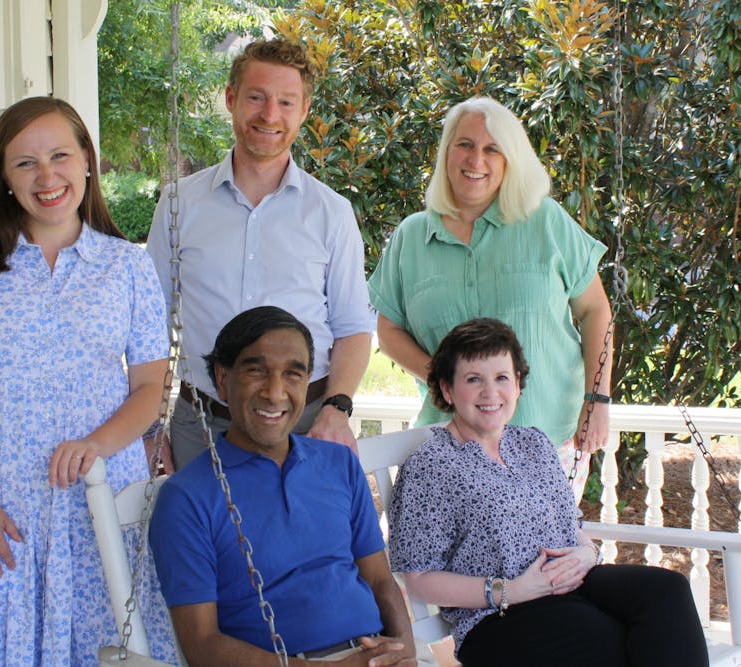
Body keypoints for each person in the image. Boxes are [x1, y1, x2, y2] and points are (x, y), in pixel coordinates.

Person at [0, 96, 176, 665]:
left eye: (60, 155)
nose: (46, 175)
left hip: (95, 504)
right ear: (3, 177)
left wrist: (96, 446)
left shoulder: (127, 266)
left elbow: (151, 388)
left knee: (105, 643)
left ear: (87, 161)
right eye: (25, 162)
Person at [388, 318, 708, 667]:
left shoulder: (533, 444)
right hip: (499, 618)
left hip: (574, 584)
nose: (490, 392)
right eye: (473, 379)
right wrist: (513, 590)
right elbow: (419, 579)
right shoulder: (431, 465)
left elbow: (571, 529)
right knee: (609, 638)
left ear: (518, 385)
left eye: (501, 378)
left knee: (667, 590)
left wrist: (588, 555)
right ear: (447, 390)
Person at [148, 306, 432, 666]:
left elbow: (379, 580)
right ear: (222, 378)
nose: (275, 392)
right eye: (256, 371)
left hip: (376, 655)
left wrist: (404, 651)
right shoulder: (188, 498)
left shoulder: (338, 464)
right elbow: (202, 645)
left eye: (293, 375)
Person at [367, 96, 613, 499]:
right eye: (464, 144)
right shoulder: (411, 237)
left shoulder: (546, 222)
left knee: (548, 559)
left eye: (491, 149)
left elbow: (595, 309)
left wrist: (597, 399)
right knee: (458, 561)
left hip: (547, 436)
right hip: (448, 445)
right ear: (447, 152)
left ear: (509, 160)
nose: (475, 159)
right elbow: (389, 328)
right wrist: (441, 377)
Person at [146, 38, 372, 469]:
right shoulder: (179, 204)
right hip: (202, 427)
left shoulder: (332, 213)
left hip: (305, 425)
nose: (270, 115)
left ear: (304, 111)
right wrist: (153, 428)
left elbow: (354, 328)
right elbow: (151, 326)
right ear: (231, 99)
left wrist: (336, 408)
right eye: (256, 97)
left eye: (286, 102)